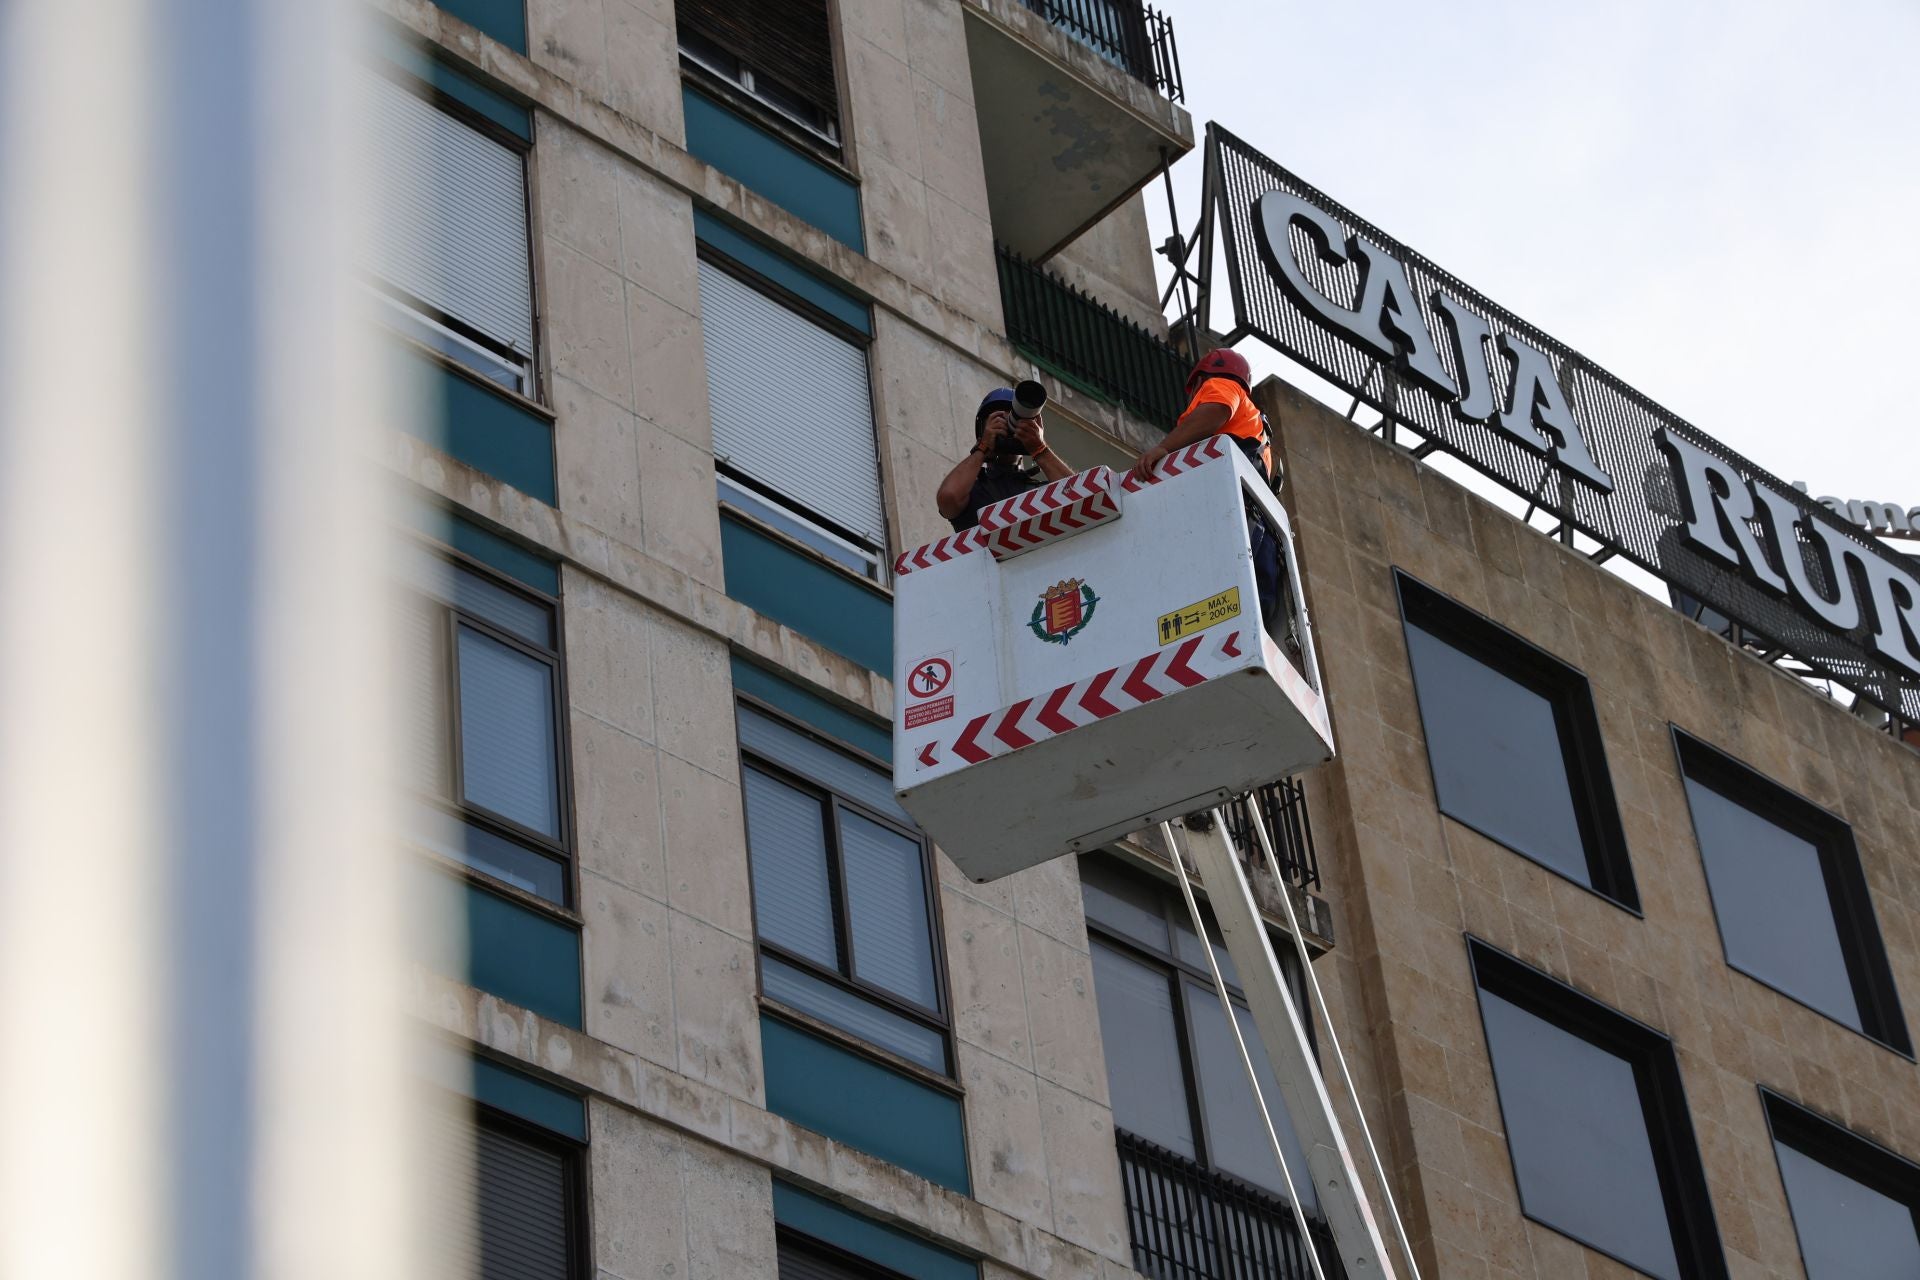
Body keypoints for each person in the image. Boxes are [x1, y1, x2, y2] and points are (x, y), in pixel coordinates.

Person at [1130, 349, 1289, 636]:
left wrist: (1164, 448)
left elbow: (1216, 410)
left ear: (1201, 379)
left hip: (1229, 516)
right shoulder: (1257, 434)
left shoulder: (1223, 386)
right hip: (1253, 530)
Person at [936, 387, 1074, 532]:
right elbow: (948, 497)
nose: (1007, 426)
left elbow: (1080, 496)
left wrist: (1040, 448)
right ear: (983, 430)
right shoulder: (972, 493)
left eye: (1014, 420)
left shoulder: (1042, 491)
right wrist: (982, 447)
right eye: (998, 419)